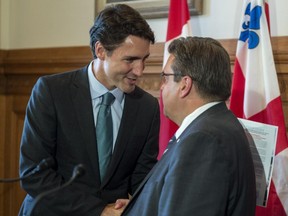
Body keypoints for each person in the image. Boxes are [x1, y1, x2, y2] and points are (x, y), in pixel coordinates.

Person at [18, 4, 160, 216]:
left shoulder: (147, 107)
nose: (139, 71)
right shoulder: (51, 92)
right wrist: (99, 211)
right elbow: (34, 174)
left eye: (144, 59)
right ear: (100, 50)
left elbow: (143, 178)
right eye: (130, 60)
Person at [120, 36, 256, 216]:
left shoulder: (203, 141)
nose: (161, 87)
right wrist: (142, 205)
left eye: (165, 78)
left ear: (184, 85)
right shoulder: (218, 125)